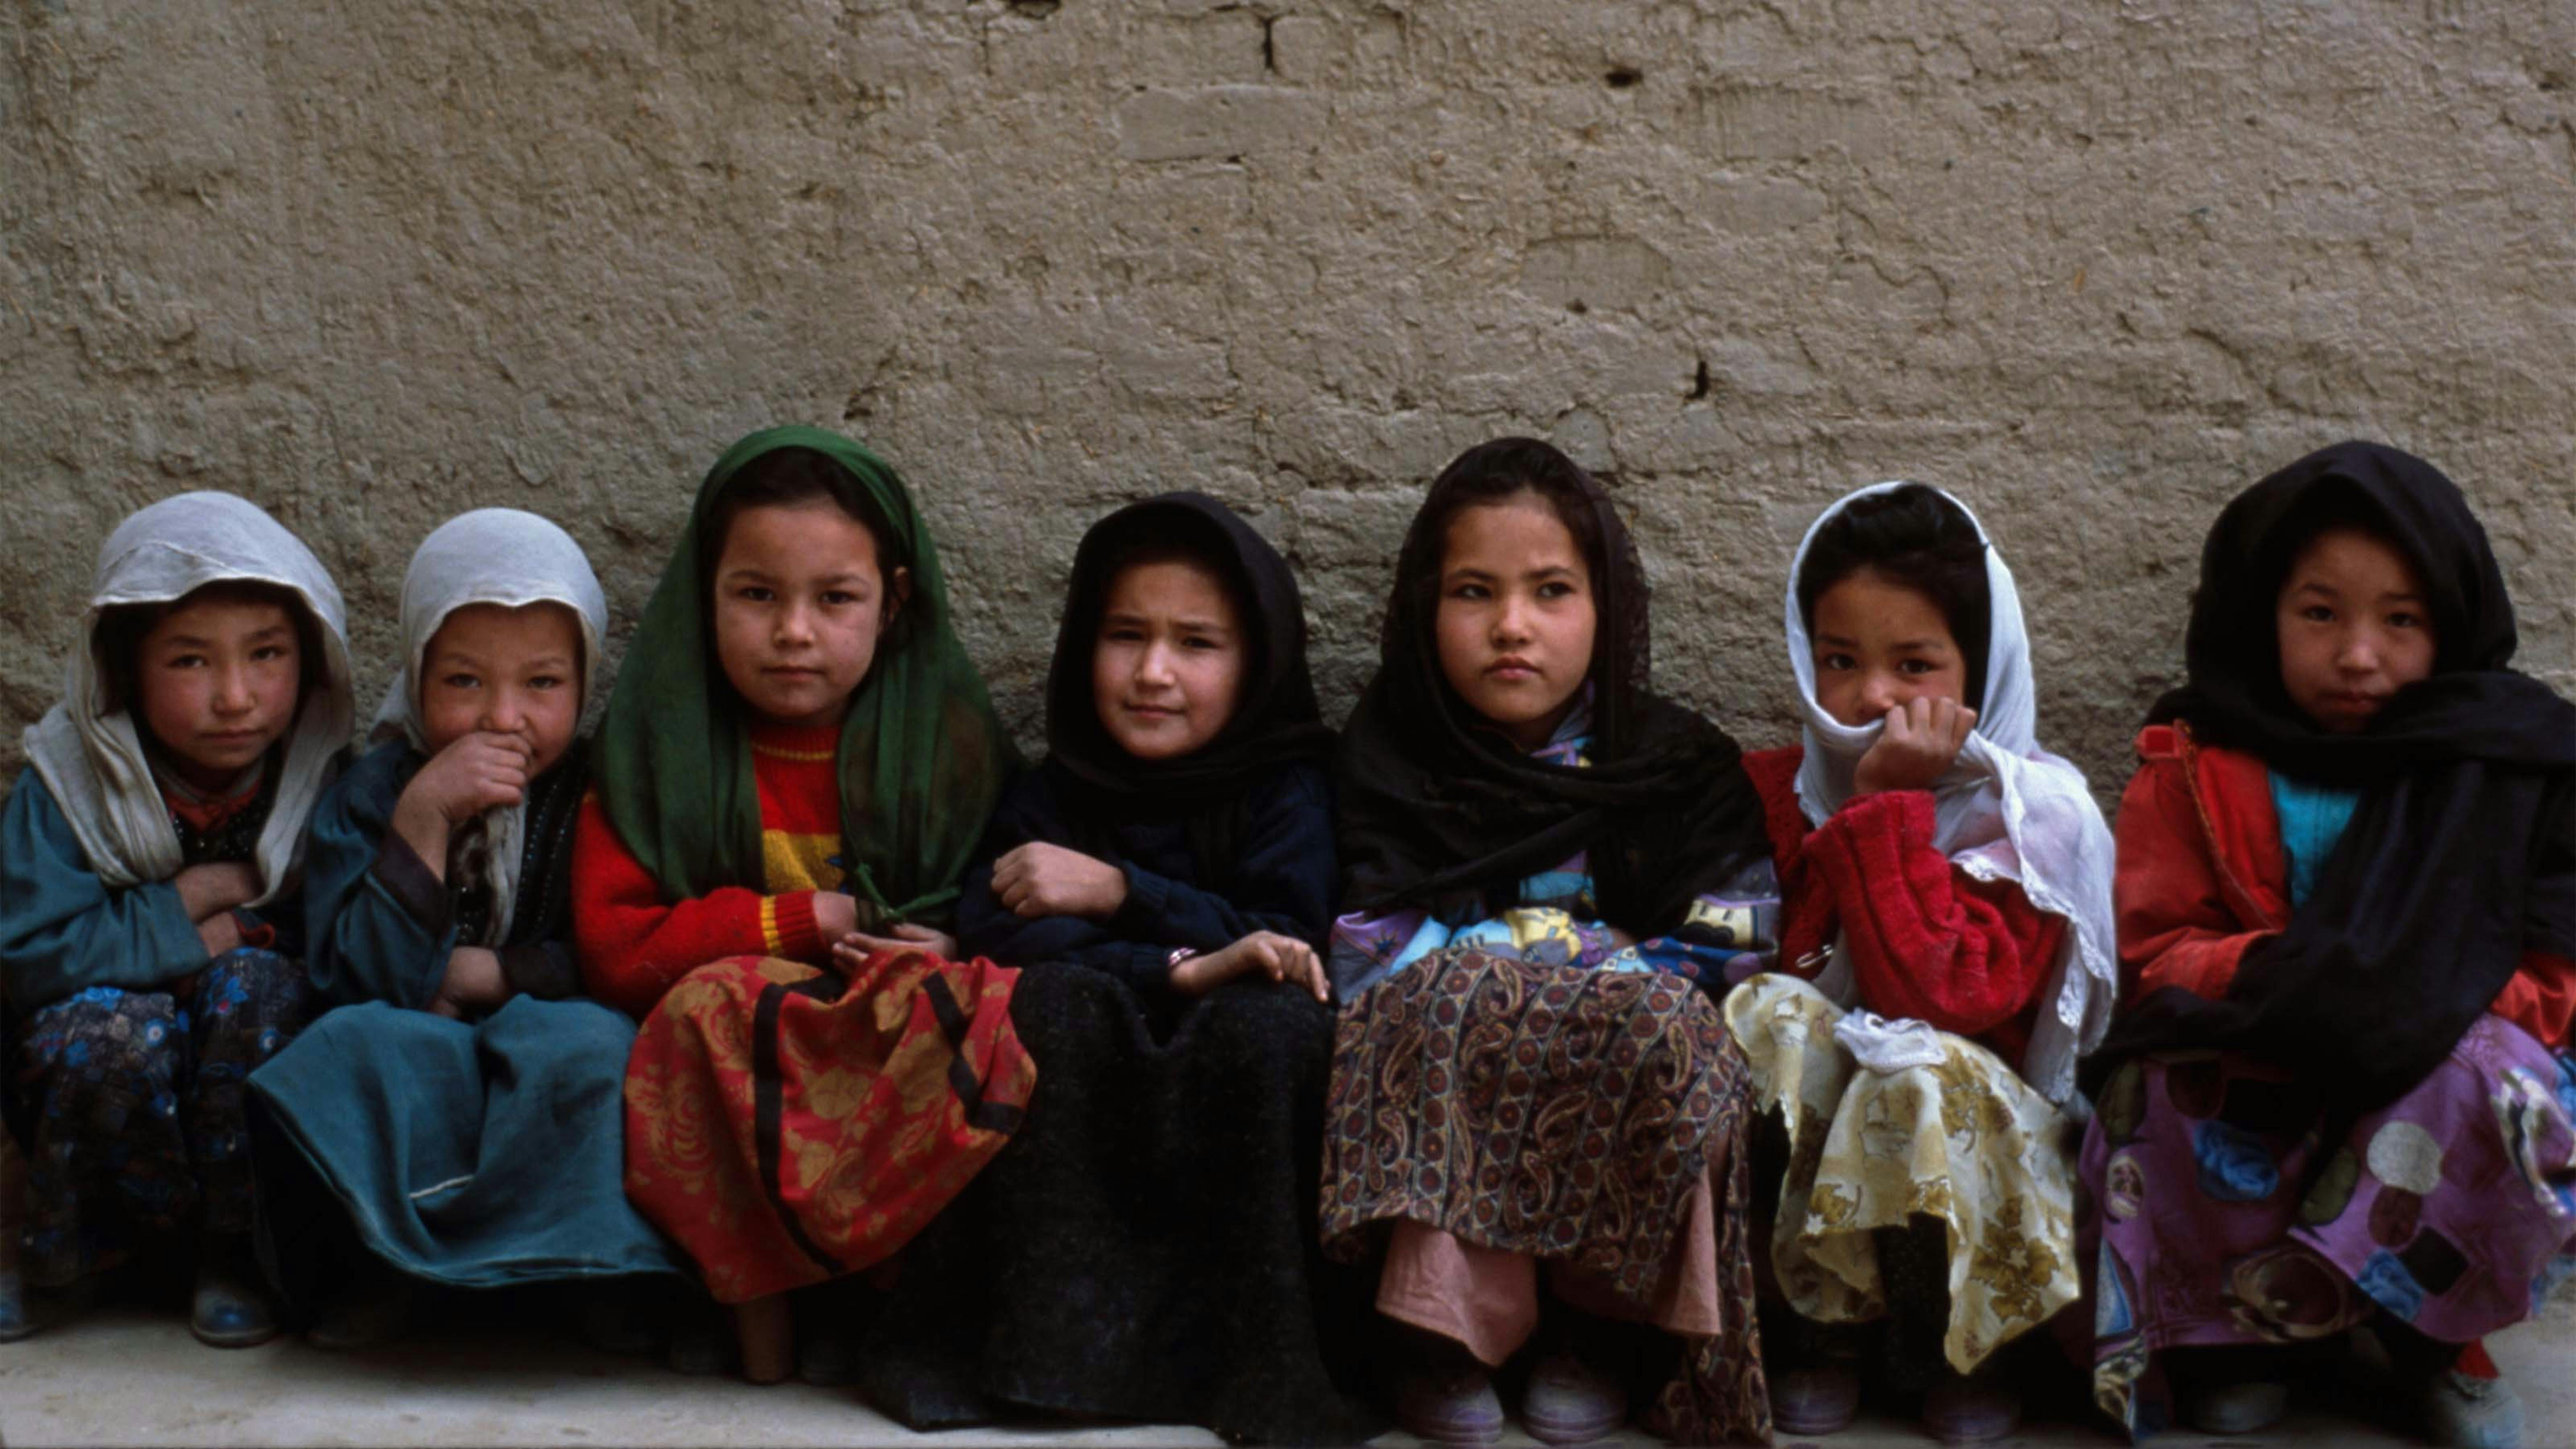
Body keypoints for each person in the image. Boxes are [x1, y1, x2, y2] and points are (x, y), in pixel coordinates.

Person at [2083, 441, 2576, 1448]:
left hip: (2432, 1054)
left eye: (2402, 620)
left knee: (2490, 1081)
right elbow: (2158, 952)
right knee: (2169, 1083)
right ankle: (2248, 1332)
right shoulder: (2191, 765)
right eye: (2321, 614)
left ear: (2453, 619)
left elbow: (2559, 971)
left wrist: (2425, 998)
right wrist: (2296, 983)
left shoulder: (2519, 763)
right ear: (2259, 614)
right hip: (2270, 1032)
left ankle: (2431, 1335)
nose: (2360, 655)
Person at [860, 492, 1373, 1444]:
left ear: (1258, 660)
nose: (1153, 672)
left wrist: (1118, 893)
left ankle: (1251, 1363)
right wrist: (1179, 968)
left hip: (1239, 1074)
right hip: (1096, 1060)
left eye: (1198, 644)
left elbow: (1288, 938)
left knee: (1266, 1020)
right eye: (1125, 635)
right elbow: (999, 933)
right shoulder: (1056, 791)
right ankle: (1055, 1356)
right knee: (1051, 1006)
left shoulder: (1290, 788)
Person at [1319, 438, 1781, 1446]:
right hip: (1454, 1030)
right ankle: (1446, 1337)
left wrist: (1561, 967)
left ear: (1608, 609)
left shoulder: (1675, 765)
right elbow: (1368, 947)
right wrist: (1573, 951)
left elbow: (1736, 941)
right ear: (1421, 607)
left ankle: (1600, 1332)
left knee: (1656, 1015)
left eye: (1552, 591)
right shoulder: (1391, 758)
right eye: (1475, 592)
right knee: (1439, 999)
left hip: (1623, 1037)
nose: (1512, 627)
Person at [573, 427, 1029, 1383]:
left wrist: (944, 941)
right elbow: (615, 952)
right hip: (719, 1062)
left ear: (895, 601)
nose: (793, 632)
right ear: (705, 594)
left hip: (876, 1044)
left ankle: (867, 1301)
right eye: (756, 595)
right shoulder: (656, 757)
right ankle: (744, 1303)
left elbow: (1007, 905)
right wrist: (793, 924)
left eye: (836, 599)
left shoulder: (947, 751)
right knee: (722, 1008)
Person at [1725, 481, 2118, 1442]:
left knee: (1917, 1068)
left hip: (1984, 1150)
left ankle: (1949, 1346)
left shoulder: (2032, 820)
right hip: (1824, 1157)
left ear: (1982, 665)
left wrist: (1881, 811)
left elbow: (1945, 995)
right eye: (1840, 661)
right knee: (1764, 1015)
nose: (1872, 698)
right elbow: (1775, 958)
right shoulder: (1772, 790)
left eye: (1916, 665)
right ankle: (1817, 1330)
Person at [250, 508, 683, 1348]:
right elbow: (351, 978)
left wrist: (488, 976)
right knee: (353, 1045)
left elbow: (618, 948)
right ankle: (389, 1273)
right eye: (464, 682)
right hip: (417, 1032)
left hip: (548, 1026)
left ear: (587, 680)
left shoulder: (603, 792)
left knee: (594, 1048)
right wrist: (425, 817)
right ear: (417, 674)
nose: (503, 717)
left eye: (543, 684)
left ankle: (582, 1276)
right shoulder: (375, 792)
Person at [0, 491, 354, 1346]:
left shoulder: (322, 777)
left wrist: (243, 948)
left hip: (232, 1072)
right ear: (124, 669)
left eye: (266, 654)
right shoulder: (70, 785)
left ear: (309, 660)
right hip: (109, 1073)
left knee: (263, 995)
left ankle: (236, 1256)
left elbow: (342, 938)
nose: (236, 697)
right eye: (191, 662)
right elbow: (25, 953)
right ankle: (72, 1255)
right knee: (110, 1034)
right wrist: (192, 913)